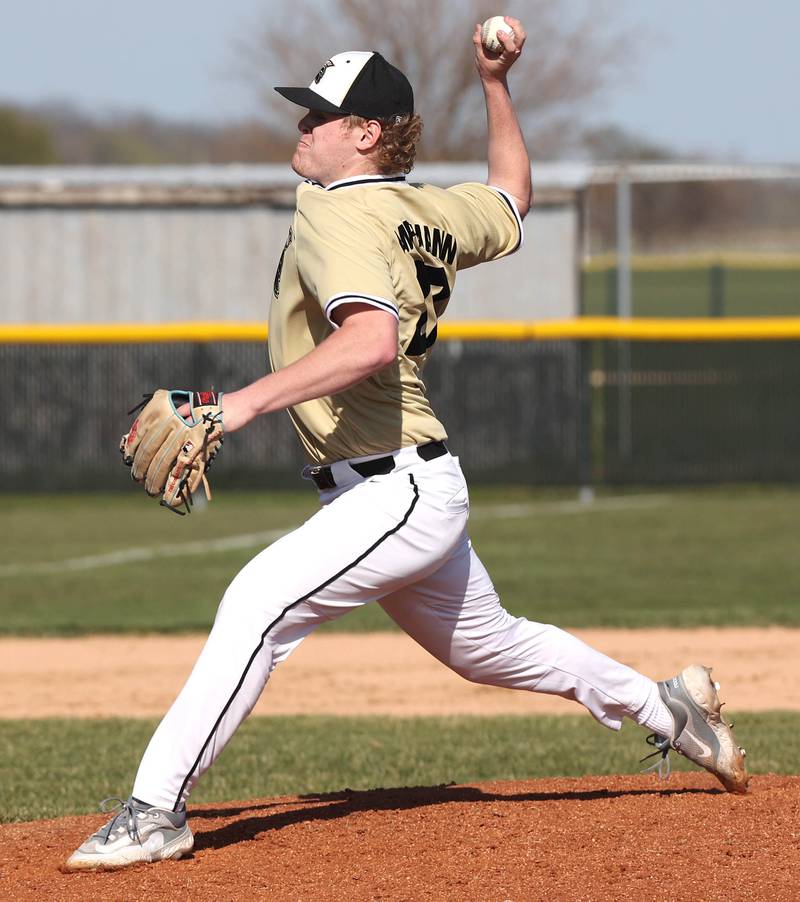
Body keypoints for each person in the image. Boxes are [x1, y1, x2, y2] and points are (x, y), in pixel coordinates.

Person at [65, 19, 747, 871]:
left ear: (366, 134)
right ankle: (668, 708)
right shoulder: (425, 209)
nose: (302, 127)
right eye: (304, 112)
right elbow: (511, 198)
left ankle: (155, 812)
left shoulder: (333, 209)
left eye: (319, 116)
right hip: (405, 487)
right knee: (493, 648)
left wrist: (234, 407)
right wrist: (495, 84)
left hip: (397, 491)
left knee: (256, 604)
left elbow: (371, 343)